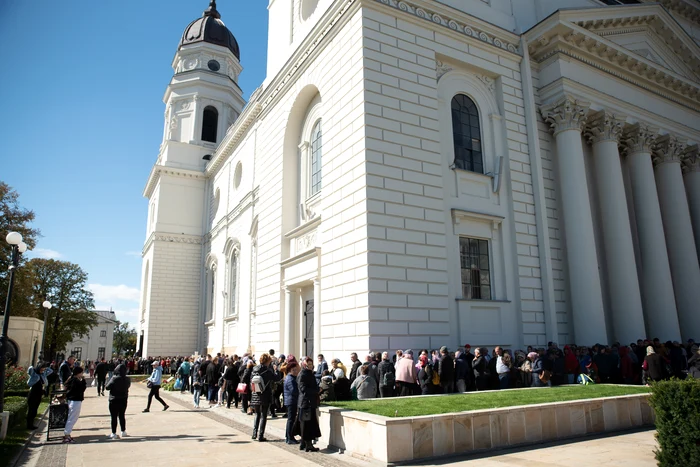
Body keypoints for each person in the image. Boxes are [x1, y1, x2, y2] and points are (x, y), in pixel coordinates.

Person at [296, 357, 321, 452]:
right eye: (308, 364)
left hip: (308, 402)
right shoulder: (303, 374)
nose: (310, 366)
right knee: (307, 425)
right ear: (304, 365)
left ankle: (303, 443)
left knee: (306, 424)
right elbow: (303, 389)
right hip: (306, 403)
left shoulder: (309, 374)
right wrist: (316, 390)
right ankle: (308, 444)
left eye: (311, 364)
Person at [251, 353, 275, 442]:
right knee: (263, 415)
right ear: (267, 361)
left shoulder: (254, 369)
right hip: (265, 394)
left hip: (255, 394)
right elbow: (276, 378)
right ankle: (261, 435)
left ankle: (254, 433)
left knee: (257, 414)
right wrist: (275, 370)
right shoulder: (268, 371)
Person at [105, 363, 130, 439]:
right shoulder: (127, 379)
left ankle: (113, 433)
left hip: (114, 399)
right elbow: (128, 386)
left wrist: (110, 379)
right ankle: (123, 431)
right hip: (123, 399)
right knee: (122, 415)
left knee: (114, 417)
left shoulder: (114, 378)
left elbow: (107, 387)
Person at [63, 367, 87, 444]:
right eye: (81, 372)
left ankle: (68, 434)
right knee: (72, 418)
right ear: (78, 373)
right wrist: (83, 381)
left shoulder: (72, 379)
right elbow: (81, 389)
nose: (82, 374)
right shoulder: (75, 381)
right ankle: (67, 435)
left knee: (72, 417)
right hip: (75, 401)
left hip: (73, 400)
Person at [26, 361, 52, 430]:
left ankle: (32, 424)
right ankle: (29, 425)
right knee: (31, 410)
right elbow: (30, 369)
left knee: (35, 410)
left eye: (43, 369)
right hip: (33, 393)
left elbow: (50, 371)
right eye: (41, 369)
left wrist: (45, 367)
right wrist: (36, 365)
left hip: (39, 394)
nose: (42, 371)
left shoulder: (43, 374)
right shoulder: (34, 374)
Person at [284, 359, 300, 444]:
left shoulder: (292, 378)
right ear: (290, 370)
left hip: (291, 401)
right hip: (291, 401)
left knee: (291, 419)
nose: (296, 371)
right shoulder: (290, 379)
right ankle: (289, 437)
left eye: (296, 369)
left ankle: (288, 436)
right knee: (291, 420)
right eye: (294, 370)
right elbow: (294, 391)